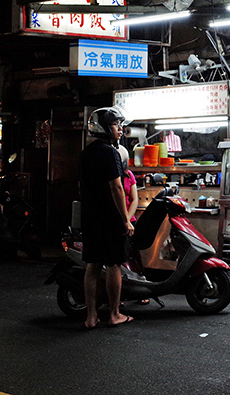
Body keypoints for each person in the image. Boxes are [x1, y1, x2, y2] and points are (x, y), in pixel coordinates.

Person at [80, 106, 135, 329]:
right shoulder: (111, 153)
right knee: (113, 265)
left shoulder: (85, 153)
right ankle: (114, 314)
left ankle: (91, 317)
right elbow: (117, 188)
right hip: (110, 219)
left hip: (90, 217)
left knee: (92, 266)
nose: (120, 129)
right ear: (104, 128)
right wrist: (125, 219)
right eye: (115, 125)